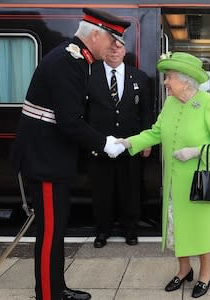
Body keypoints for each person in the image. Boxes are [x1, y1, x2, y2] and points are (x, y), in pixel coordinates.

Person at [10, 8, 130, 300]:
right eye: (112, 40)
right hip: (47, 161)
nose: (115, 47)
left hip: (52, 158)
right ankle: (48, 295)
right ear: (95, 34)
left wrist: (102, 137)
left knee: (56, 230)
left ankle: (56, 288)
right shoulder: (69, 61)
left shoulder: (77, 58)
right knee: (51, 234)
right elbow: (69, 121)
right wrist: (105, 143)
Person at [112, 52, 210, 298]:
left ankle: (206, 274)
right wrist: (127, 143)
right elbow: (156, 132)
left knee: (200, 229)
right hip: (172, 181)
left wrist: (195, 152)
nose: (165, 83)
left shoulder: (207, 103)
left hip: (199, 182)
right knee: (176, 226)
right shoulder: (170, 103)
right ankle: (183, 269)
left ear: (185, 80)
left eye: (168, 78)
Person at [88, 38, 152, 247]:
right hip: (99, 145)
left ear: (125, 51)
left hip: (131, 144)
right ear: (104, 50)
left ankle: (130, 230)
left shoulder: (140, 78)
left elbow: (146, 112)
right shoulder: (89, 74)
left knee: (130, 189)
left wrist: (146, 142)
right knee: (101, 190)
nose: (115, 50)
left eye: (119, 47)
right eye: (111, 47)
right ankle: (102, 231)